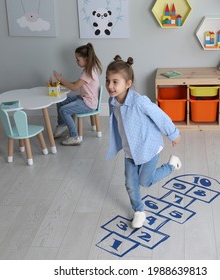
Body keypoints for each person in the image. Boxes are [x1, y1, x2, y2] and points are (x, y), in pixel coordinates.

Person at [105, 55, 182, 229]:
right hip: (130, 151)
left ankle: (171, 165)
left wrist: (173, 133)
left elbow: (160, 116)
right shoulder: (113, 102)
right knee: (130, 184)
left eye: (115, 82)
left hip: (149, 148)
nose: (110, 86)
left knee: (144, 182)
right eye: (108, 81)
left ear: (128, 84)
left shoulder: (140, 102)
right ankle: (139, 211)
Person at [53, 43, 102, 146]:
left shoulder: (87, 73)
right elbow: (76, 83)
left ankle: (74, 136)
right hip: (84, 99)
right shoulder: (89, 70)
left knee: (64, 110)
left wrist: (61, 79)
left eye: (78, 59)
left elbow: (74, 87)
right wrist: (63, 83)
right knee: (60, 101)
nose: (76, 61)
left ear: (86, 59)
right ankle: (62, 125)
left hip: (88, 104)